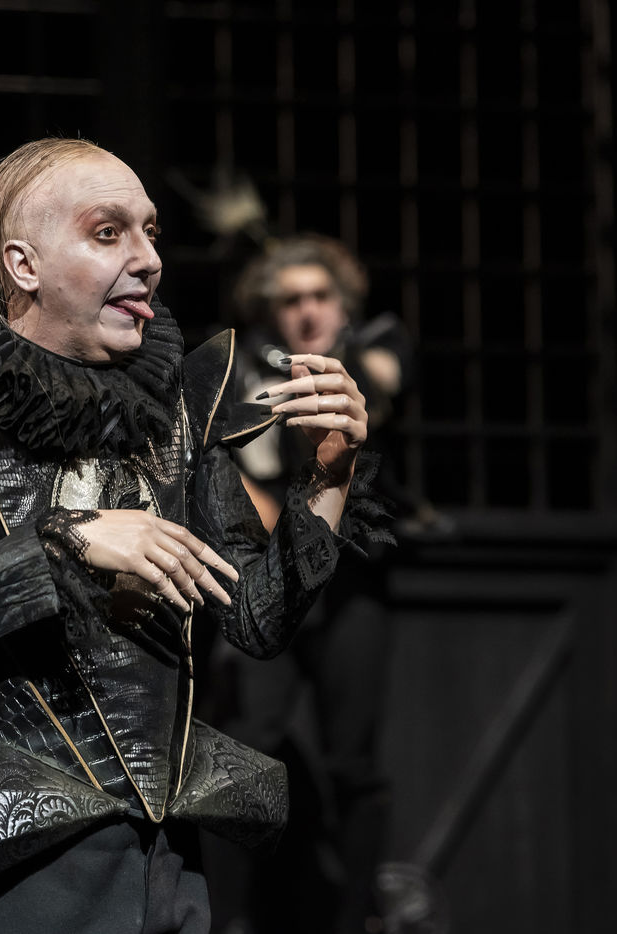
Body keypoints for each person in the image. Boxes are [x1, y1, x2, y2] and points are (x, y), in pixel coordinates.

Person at [0, 139, 379, 934]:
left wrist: (329, 477)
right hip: (13, 856)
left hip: (164, 852)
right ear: (24, 265)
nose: (148, 259)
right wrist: (65, 543)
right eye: (108, 233)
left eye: (151, 232)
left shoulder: (174, 418)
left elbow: (255, 618)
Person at [200, 234, 407, 934]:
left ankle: (357, 918)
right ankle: (229, 918)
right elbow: (236, 475)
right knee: (243, 744)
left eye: (320, 296)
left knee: (353, 760)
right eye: (291, 301)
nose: (307, 311)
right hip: (276, 572)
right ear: (271, 312)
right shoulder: (245, 371)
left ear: (343, 305)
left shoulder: (375, 347)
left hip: (354, 583)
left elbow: (382, 383)